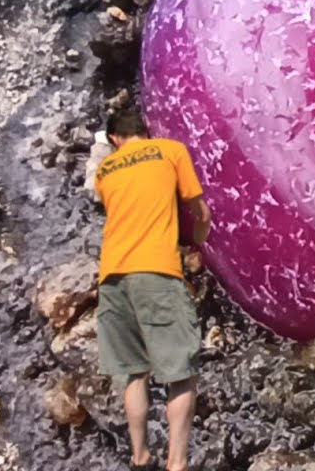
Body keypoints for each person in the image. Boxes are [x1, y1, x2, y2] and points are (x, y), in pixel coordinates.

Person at [94, 108, 212, 471]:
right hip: (156, 271)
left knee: (135, 372)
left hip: (112, 277)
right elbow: (198, 207)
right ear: (143, 131)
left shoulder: (104, 171)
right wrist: (199, 240)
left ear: (115, 139)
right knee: (181, 374)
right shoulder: (171, 150)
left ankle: (140, 455)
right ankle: (176, 464)